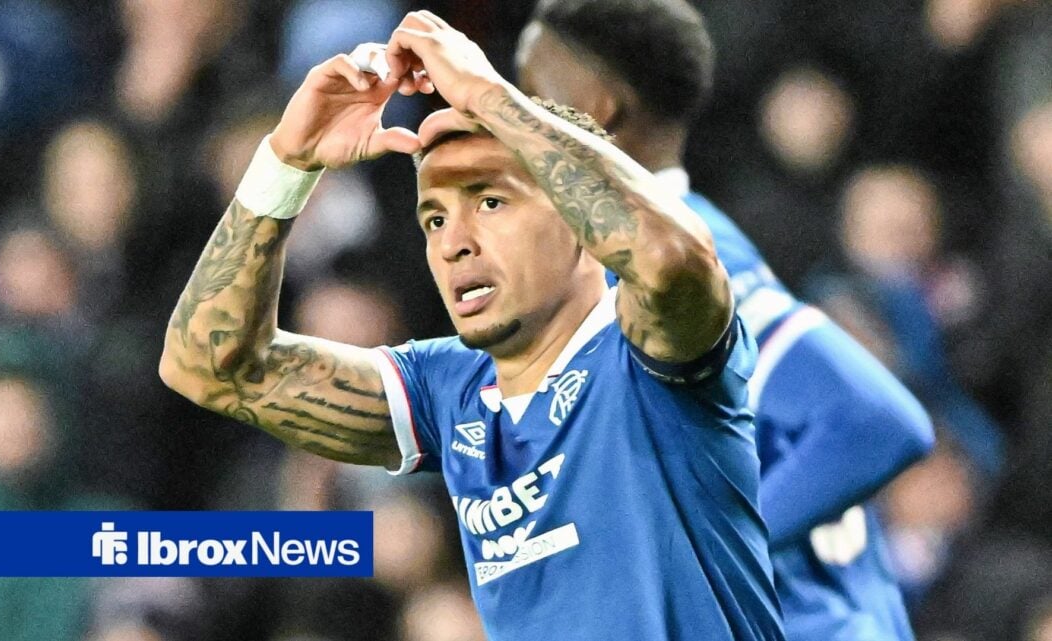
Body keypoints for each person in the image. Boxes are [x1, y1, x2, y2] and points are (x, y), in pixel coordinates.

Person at [160, 10, 786, 641]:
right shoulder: (445, 389)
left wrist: (488, 95)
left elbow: (673, 260)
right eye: (433, 219)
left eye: (490, 201)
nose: (453, 242)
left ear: (578, 218)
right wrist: (285, 164)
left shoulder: (649, 356)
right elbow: (210, 366)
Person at [514, 1, 935, 640]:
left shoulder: (681, 258)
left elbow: (874, 421)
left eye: (526, 94)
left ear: (595, 107)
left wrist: (697, 559)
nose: (505, 117)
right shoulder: (607, 267)